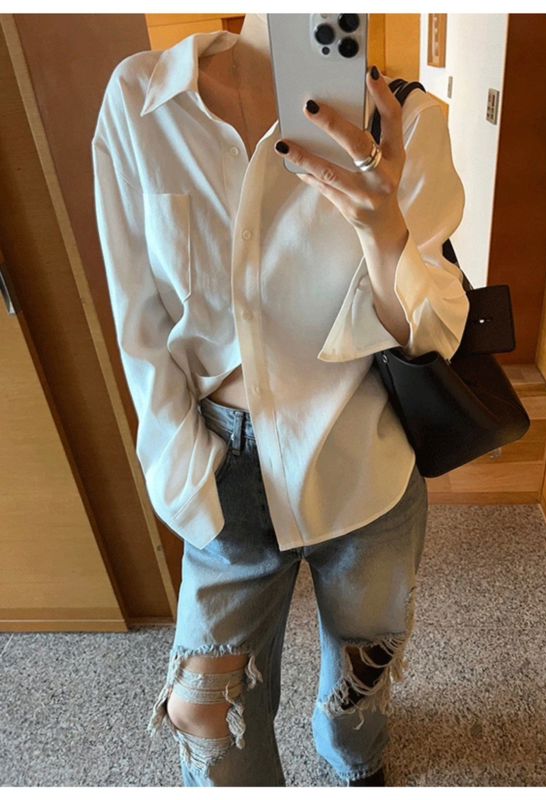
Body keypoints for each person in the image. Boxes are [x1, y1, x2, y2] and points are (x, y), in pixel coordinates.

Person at [91, 13, 469, 788]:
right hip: (221, 462)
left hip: (362, 452)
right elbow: (138, 319)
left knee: (361, 672)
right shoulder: (142, 98)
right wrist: (178, 461)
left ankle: (353, 755)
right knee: (203, 709)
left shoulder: (407, 119)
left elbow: (433, 335)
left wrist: (384, 233)